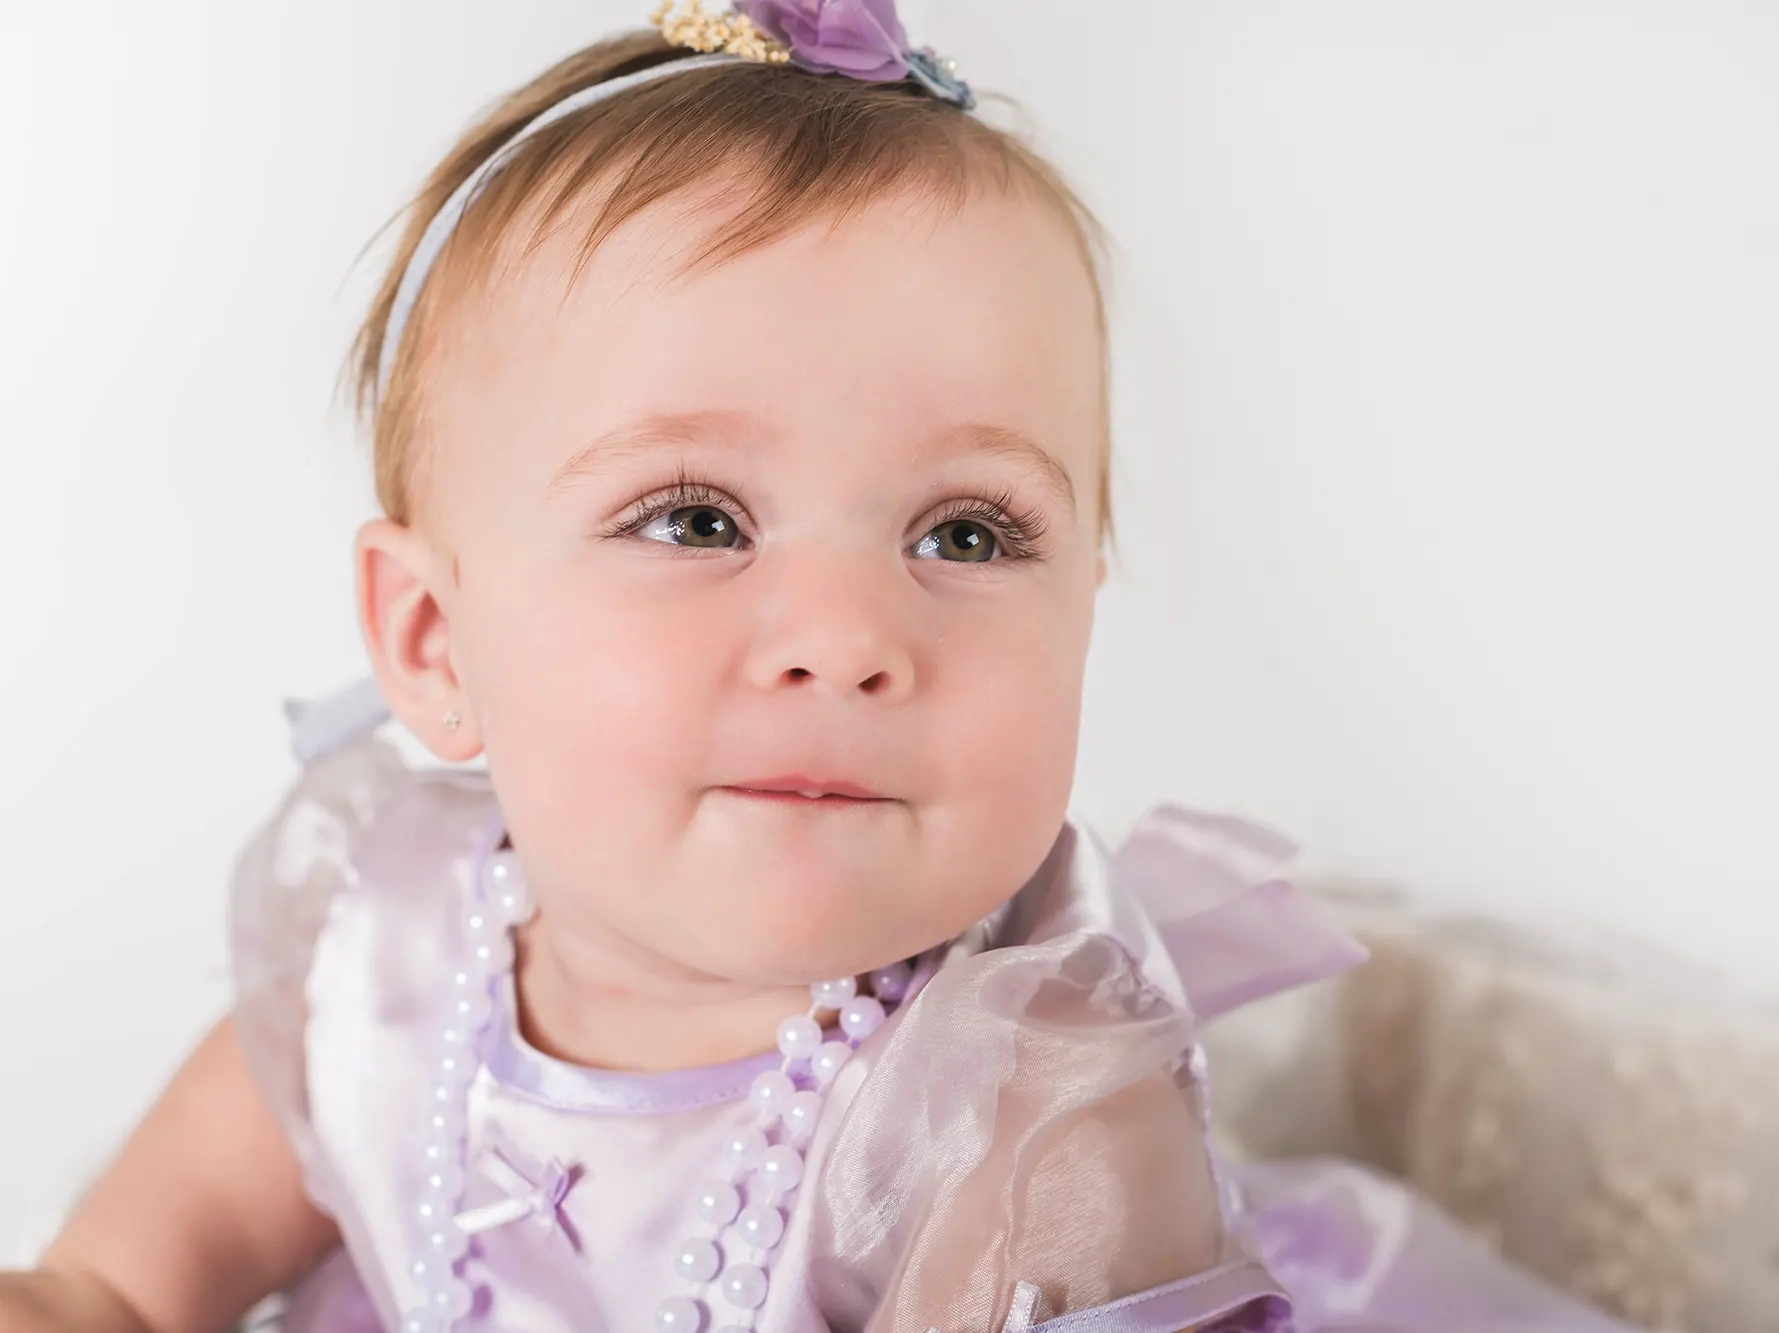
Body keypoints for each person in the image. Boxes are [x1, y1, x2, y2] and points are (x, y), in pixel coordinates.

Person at [0, 4, 1642, 1332]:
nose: (852, 638)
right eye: (698, 516)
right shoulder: (379, 933)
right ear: (436, 643)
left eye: (971, 536)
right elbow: (151, 1258)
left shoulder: (1027, 1125)